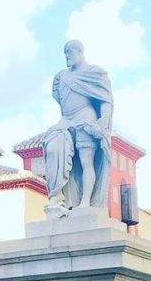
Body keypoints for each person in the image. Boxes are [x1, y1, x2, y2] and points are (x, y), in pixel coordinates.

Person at [39, 39, 113, 214]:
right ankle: (56, 199)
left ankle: (86, 202)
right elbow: (58, 98)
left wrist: (105, 118)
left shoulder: (94, 73)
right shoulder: (60, 76)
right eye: (64, 53)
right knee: (53, 148)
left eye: (69, 52)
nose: (66, 56)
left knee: (86, 160)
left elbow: (105, 99)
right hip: (66, 119)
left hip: (85, 116)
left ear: (80, 52)